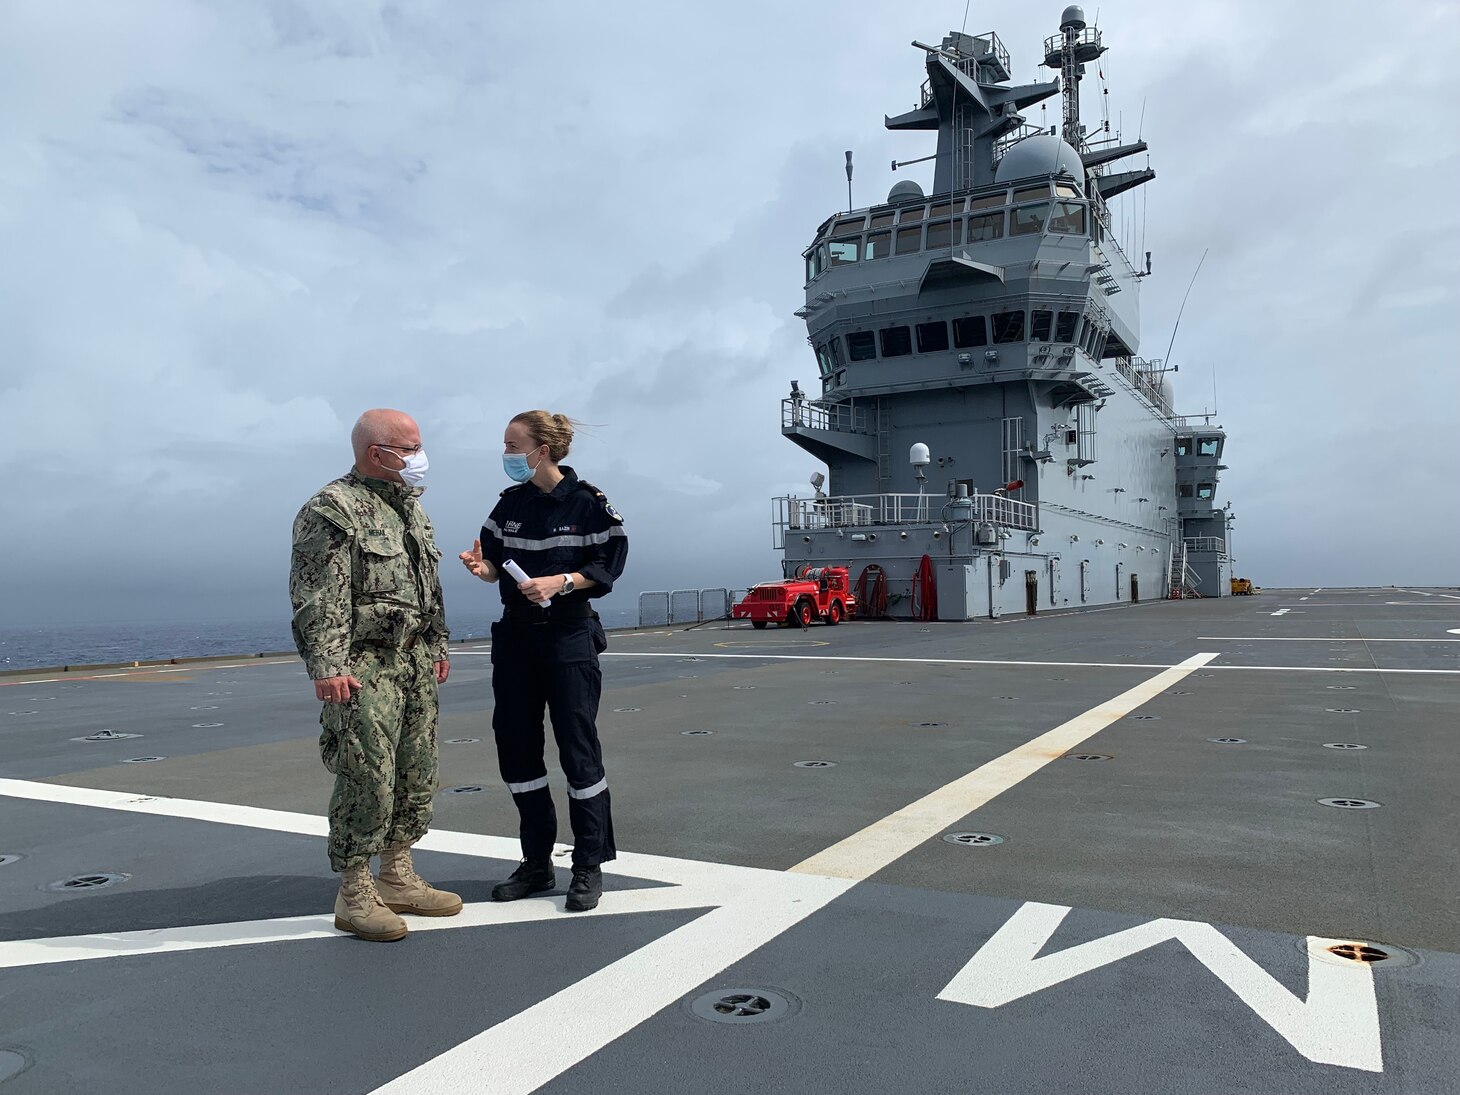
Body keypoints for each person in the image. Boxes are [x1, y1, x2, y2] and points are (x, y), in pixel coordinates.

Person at [289, 408, 461, 942]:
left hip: (411, 661)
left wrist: (435, 643)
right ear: (375, 452)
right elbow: (319, 594)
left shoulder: (410, 510)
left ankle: (396, 874)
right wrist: (329, 665)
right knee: (368, 774)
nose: (418, 457)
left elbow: (427, 586)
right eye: (408, 449)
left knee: (416, 770)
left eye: (418, 446)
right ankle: (355, 890)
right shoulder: (332, 509)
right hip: (364, 667)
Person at [459, 411, 627, 912]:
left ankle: (587, 866)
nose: (507, 453)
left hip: (569, 636)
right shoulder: (509, 504)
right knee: (516, 750)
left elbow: (609, 564)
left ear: (544, 448)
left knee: (579, 751)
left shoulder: (589, 503)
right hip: (516, 637)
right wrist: (483, 568)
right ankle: (536, 865)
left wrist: (562, 582)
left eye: (514, 444)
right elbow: (494, 565)